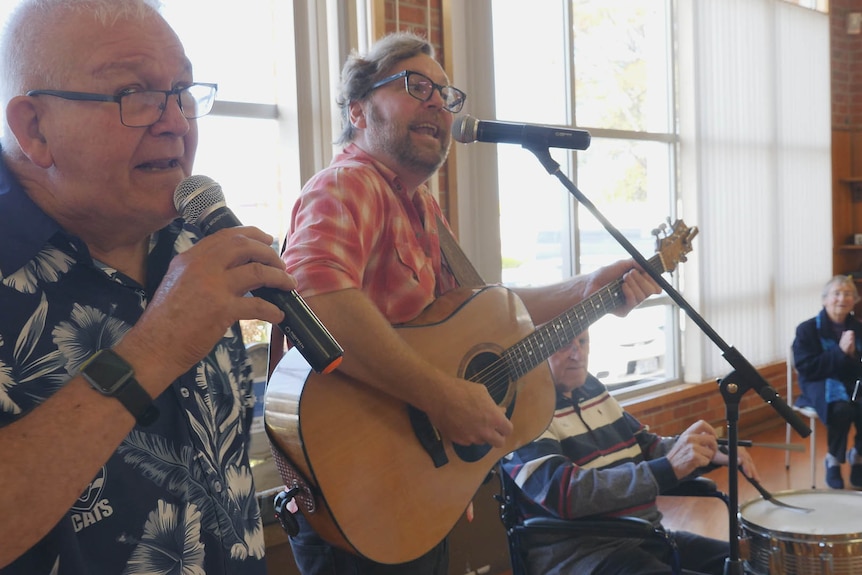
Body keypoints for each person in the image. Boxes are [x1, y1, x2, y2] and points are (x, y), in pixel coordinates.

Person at [281, 31, 660, 575]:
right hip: (357, 487)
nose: (438, 101)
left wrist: (591, 287)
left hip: (415, 485)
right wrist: (441, 396)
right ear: (359, 110)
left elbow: (482, 311)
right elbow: (317, 303)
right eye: (417, 86)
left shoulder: (419, 207)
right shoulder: (347, 186)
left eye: (445, 93)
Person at [0, 0, 298, 572]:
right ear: (34, 128)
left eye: (182, 92)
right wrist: (157, 347)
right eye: (133, 93)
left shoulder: (195, 237)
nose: (176, 122)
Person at [500, 329, 760, 575]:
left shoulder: (590, 387)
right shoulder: (520, 414)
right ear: (532, 351)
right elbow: (566, 493)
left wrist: (703, 451)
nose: (578, 354)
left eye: (583, 341)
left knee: (755, 566)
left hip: (645, 536)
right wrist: (668, 468)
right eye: (563, 344)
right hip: (583, 556)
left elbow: (646, 447)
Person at [792, 274, 862, 489]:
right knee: (840, 408)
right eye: (837, 293)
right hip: (818, 382)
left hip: (852, 380)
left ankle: (858, 456)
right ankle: (833, 459)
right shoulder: (807, 329)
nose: (842, 298)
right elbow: (807, 367)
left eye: (848, 294)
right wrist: (839, 353)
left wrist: (850, 357)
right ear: (824, 299)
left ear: (854, 300)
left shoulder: (858, 327)